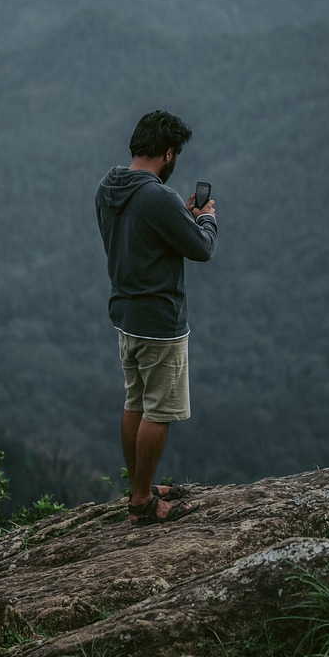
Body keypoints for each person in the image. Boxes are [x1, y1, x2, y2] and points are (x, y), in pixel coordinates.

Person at [95, 109, 218, 526]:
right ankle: (143, 502)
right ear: (168, 153)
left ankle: (138, 487)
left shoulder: (107, 187)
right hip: (160, 321)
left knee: (135, 402)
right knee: (159, 411)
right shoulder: (158, 197)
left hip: (125, 315)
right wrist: (206, 221)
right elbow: (201, 249)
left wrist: (176, 219)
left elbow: (137, 237)